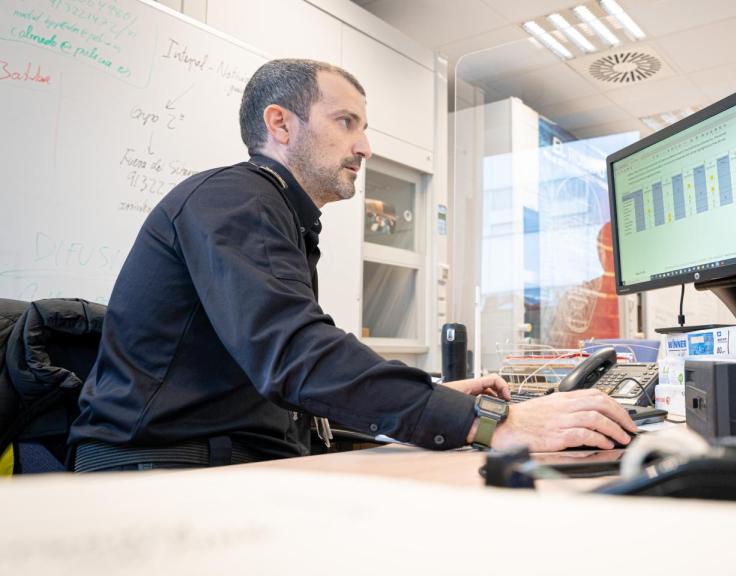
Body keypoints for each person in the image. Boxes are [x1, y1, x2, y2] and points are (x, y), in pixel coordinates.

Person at [69, 59, 635, 472]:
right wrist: (492, 423)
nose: (364, 146)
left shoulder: (275, 213)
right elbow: (298, 357)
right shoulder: (236, 199)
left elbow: (293, 373)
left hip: (218, 461)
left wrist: (435, 397)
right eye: (347, 122)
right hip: (156, 471)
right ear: (281, 124)